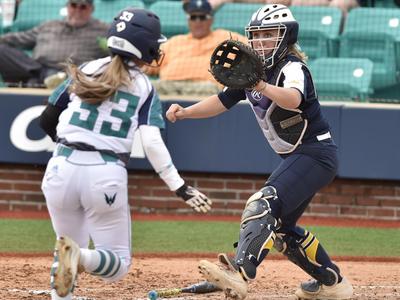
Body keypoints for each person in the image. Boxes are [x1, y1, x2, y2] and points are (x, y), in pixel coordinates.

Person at [166, 4, 353, 300]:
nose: (260, 41)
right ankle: (332, 283)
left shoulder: (292, 67)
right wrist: (186, 112)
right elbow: (221, 101)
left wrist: (260, 84)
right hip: (298, 156)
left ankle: (240, 273)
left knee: (263, 203)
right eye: (256, 35)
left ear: (285, 37)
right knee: (283, 231)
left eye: (268, 35)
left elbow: (293, 99)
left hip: (316, 153)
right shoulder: (255, 73)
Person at [39, 7, 211, 300]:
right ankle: (79, 257)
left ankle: (64, 289)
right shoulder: (144, 85)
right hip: (104, 172)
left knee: (68, 246)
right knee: (115, 265)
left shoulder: (88, 67)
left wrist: (67, 148)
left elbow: (46, 120)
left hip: (59, 167)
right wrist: (179, 187)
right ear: (144, 46)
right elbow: (153, 143)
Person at [147, 0, 246, 95]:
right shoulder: (174, 42)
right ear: (188, 20)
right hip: (168, 88)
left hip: (206, 90)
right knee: (151, 88)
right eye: (193, 17)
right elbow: (148, 65)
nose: (198, 21)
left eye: (202, 17)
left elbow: (253, 49)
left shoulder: (226, 38)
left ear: (211, 19)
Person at [0, 0, 108, 86]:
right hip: (37, 68)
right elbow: (19, 38)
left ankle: (41, 82)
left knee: (61, 76)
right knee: (2, 51)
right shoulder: (49, 25)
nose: (77, 10)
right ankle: (39, 80)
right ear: (68, 6)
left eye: (83, 7)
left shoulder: (102, 30)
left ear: (91, 9)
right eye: (74, 5)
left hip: (73, 75)